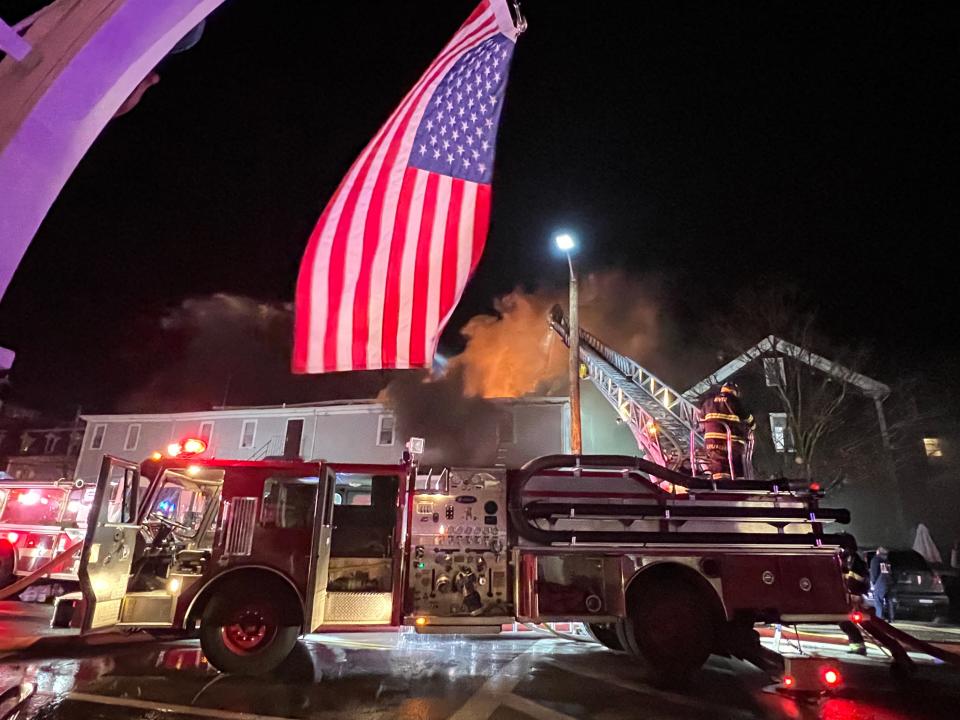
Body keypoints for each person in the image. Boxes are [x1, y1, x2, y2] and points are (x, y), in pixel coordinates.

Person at [699, 382, 756, 480]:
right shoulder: (735, 401)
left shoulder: (708, 402)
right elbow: (748, 419)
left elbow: (701, 421)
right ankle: (738, 485)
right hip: (731, 442)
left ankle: (719, 486)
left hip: (711, 442)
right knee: (737, 467)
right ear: (734, 392)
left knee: (718, 467)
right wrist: (753, 427)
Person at [839, 536, 868, 654]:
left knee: (845, 622)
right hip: (849, 596)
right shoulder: (849, 560)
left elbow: (856, 580)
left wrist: (855, 595)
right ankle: (857, 646)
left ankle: (858, 647)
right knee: (845, 623)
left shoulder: (855, 563)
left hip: (853, 596)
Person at [870, 546, 894, 622]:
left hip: (880, 582)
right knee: (889, 600)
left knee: (878, 600)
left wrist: (874, 582)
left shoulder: (876, 559)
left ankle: (879, 618)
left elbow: (874, 572)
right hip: (888, 581)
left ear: (878, 552)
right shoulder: (887, 560)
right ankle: (891, 618)